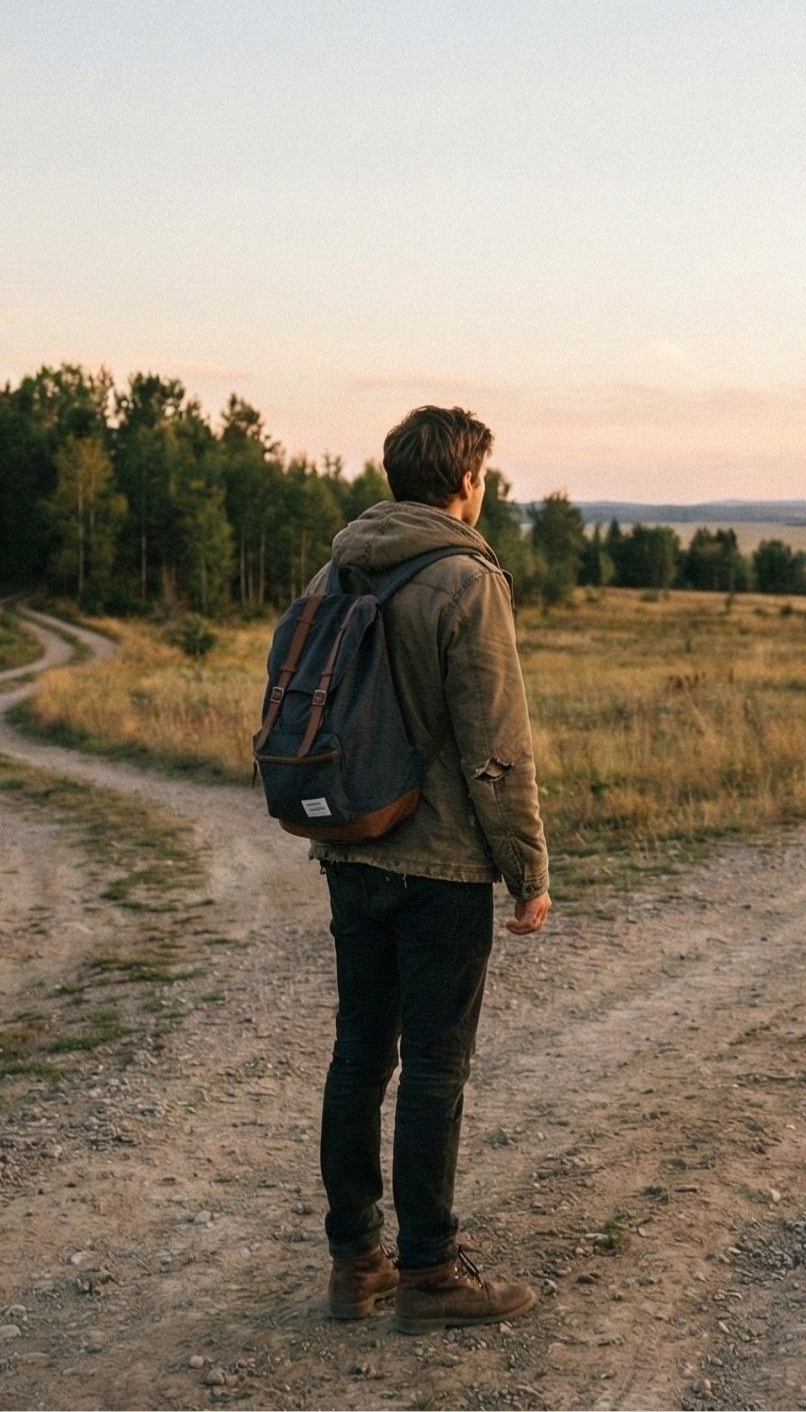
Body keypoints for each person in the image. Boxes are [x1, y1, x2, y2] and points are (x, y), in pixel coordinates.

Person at [311, 405, 550, 1332]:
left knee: (359, 1054)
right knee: (438, 1066)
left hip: (349, 844)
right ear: (463, 482)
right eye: (483, 478)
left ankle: (354, 1262)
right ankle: (430, 1276)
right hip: (442, 862)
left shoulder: (338, 566)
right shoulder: (464, 576)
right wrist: (526, 868)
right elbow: (496, 745)